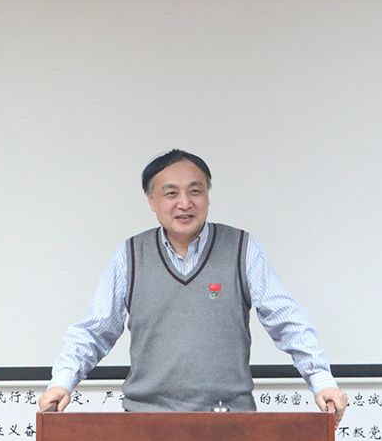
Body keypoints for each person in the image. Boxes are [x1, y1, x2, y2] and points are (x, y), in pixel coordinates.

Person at [38, 149, 347, 422]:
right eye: (171, 193)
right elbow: (94, 330)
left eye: (195, 191)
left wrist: (321, 381)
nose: (184, 203)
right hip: (145, 422)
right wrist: (62, 382)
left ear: (208, 196)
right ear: (152, 201)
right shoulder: (130, 255)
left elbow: (286, 319)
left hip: (229, 421)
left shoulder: (242, 248)